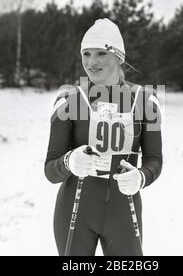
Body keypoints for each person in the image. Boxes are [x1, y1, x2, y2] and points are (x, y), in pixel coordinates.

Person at [44, 18, 163, 256]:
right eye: (86, 54)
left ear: (119, 57)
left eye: (100, 53)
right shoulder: (69, 100)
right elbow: (50, 169)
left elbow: (155, 160)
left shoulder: (145, 100)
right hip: (75, 213)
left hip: (123, 213)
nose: (91, 62)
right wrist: (69, 162)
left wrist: (141, 176)